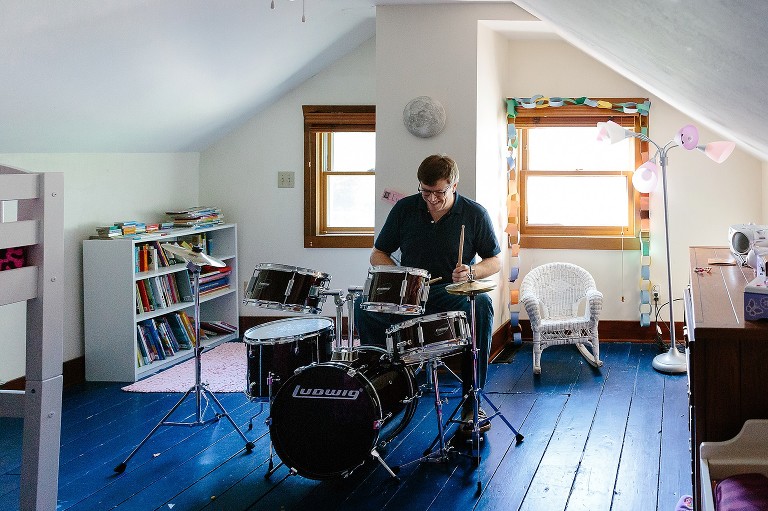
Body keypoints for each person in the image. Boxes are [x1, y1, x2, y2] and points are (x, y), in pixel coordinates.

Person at [355, 154, 501, 435]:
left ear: (454, 185)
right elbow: (378, 254)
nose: (431, 199)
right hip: (408, 294)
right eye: (425, 191)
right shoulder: (405, 209)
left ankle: (472, 399)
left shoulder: (474, 214)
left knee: (481, 305)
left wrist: (471, 272)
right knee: (365, 307)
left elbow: (495, 260)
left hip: (450, 292)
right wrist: (402, 275)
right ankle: (384, 390)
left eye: (439, 192)